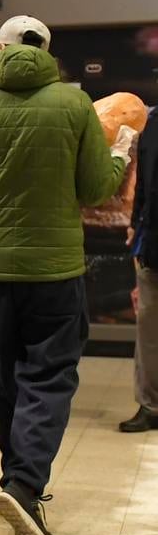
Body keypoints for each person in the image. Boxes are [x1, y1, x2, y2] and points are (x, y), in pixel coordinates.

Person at [0, 15, 135, 535]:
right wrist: (119, 152)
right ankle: (26, 485)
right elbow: (97, 189)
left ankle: (18, 479)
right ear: (48, 52)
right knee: (49, 376)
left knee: (7, 379)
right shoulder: (74, 105)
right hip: (56, 270)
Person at [122, 106, 158, 432]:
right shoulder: (152, 123)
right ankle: (150, 405)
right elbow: (145, 187)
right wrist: (136, 225)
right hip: (153, 245)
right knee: (148, 330)